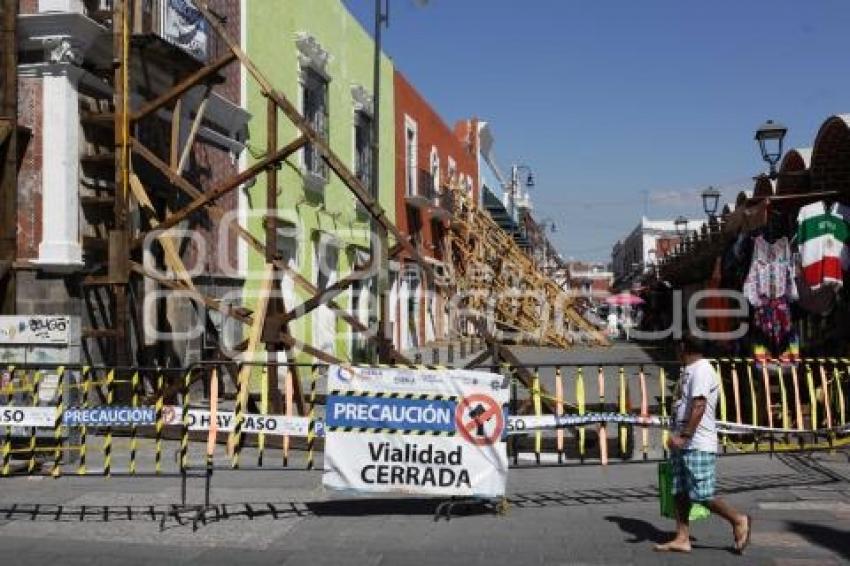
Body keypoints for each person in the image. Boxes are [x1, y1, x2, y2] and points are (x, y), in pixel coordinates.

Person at [655, 333, 752, 554]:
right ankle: (682, 537)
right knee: (679, 491)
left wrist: (684, 436)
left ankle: (738, 520)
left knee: (701, 494)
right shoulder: (689, 370)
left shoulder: (701, 370)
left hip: (697, 443)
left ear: (682, 347)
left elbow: (698, 406)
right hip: (684, 442)